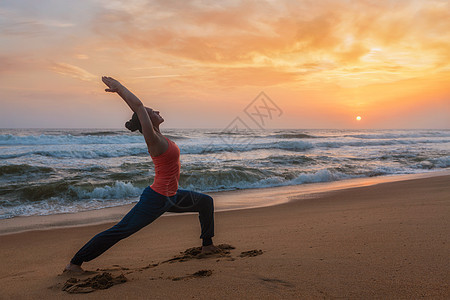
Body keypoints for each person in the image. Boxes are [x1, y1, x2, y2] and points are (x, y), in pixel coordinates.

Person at [65, 76, 218, 273]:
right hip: (155, 199)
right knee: (120, 231)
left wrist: (134, 104)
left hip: (172, 196)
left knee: (206, 202)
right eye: (153, 112)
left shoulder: (161, 136)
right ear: (146, 121)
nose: (158, 111)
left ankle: (207, 246)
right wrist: (119, 88)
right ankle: (75, 263)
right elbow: (138, 106)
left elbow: (140, 110)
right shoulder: (153, 140)